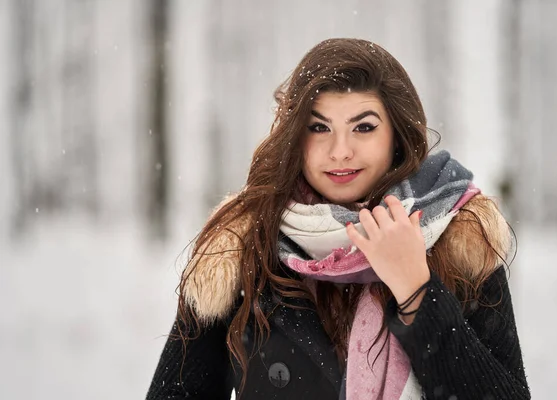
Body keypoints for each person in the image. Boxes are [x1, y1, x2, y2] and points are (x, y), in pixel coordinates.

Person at [146, 38, 530, 400]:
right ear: (295, 137)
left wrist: (417, 291)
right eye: (319, 128)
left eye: (363, 127)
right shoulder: (242, 246)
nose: (340, 151)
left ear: (396, 136)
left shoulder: (456, 236)